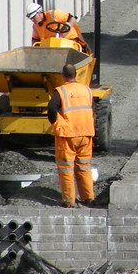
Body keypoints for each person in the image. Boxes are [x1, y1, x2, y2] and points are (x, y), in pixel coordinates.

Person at [48, 63, 96, 208]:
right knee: (84, 166)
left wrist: (56, 124)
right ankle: (88, 198)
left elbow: (51, 108)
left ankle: (69, 200)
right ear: (76, 74)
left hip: (68, 134)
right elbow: (92, 109)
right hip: (86, 133)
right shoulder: (86, 90)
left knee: (66, 168)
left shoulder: (61, 91)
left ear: (63, 75)